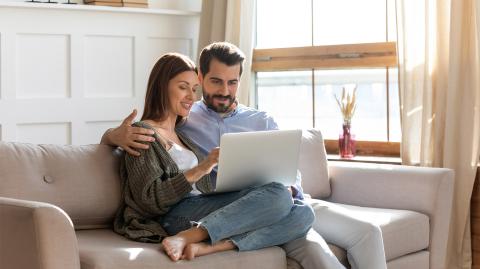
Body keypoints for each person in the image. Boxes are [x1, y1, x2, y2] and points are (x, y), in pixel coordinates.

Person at [103, 42, 388, 269]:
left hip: (271, 198)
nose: (224, 91)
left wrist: (291, 188)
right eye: (214, 82)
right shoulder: (186, 119)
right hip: (212, 207)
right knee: (297, 222)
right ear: (202, 77)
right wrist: (112, 136)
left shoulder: (255, 120)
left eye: (232, 82)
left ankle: (210, 244)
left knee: (307, 213)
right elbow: (145, 171)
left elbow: (288, 167)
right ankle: (200, 235)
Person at [111, 52, 315, 262]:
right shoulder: (142, 133)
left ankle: (208, 247)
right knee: (279, 196)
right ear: (162, 86)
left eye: (193, 89)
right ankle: (186, 236)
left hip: (200, 203)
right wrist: (201, 168)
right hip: (173, 216)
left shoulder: (181, 131)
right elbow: (149, 202)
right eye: (183, 87)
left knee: (303, 213)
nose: (191, 97)